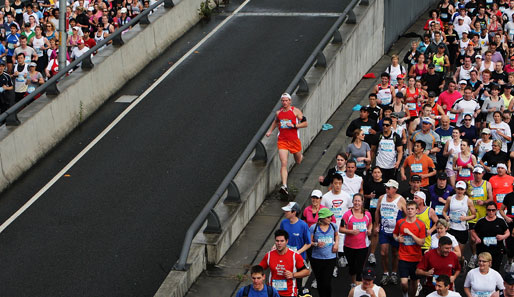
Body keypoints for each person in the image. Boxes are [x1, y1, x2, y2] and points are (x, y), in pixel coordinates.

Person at [265, 93, 308, 197]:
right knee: (284, 162)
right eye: (282, 101)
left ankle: (300, 156)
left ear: (290, 101)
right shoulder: (278, 113)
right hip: (282, 140)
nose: (284, 102)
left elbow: (305, 123)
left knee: (298, 160)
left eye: (286, 100)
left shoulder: (295, 111)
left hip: (294, 140)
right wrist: (270, 131)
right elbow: (275, 122)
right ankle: (284, 185)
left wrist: (294, 125)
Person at [259, 229, 310, 297]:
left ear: (287, 241)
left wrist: (293, 274)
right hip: (273, 293)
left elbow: (307, 272)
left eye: (282, 241)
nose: (279, 243)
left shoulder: (295, 256)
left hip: (289, 294)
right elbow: (258, 270)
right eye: (277, 241)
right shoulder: (269, 255)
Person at [375, 179, 407, 286]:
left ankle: (393, 273)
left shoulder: (401, 200)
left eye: (389, 188)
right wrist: (376, 225)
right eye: (386, 187)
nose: (387, 190)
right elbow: (377, 211)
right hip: (384, 230)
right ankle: (385, 273)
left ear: (395, 189)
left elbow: (407, 215)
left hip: (396, 232)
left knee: (395, 253)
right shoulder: (381, 198)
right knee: (383, 253)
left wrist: (404, 228)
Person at [321, 174, 352, 277]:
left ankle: (343, 258)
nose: (337, 185)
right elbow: (322, 212)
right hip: (330, 227)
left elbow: (350, 210)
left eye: (339, 183)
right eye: (335, 183)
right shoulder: (325, 197)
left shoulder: (346, 196)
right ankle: (333, 267)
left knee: (342, 247)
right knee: (331, 248)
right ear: (332, 184)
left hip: (343, 227)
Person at [393, 200, 426, 297]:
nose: (410, 211)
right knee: (404, 282)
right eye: (408, 209)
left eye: (412, 209)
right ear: (406, 210)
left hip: (416, 257)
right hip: (403, 256)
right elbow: (394, 234)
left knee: (414, 282)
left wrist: (411, 234)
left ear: (416, 210)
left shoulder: (420, 224)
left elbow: (421, 242)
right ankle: (405, 294)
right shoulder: (400, 222)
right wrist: (397, 238)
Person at [340, 194, 372, 287]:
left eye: (359, 201)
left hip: (363, 246)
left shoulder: (367, 214)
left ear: (362, 202)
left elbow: (370, 224)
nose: (357, 203)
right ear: (353, 202)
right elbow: (341, 229)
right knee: (352, 267)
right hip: (349, 246)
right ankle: (353, 283)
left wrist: (369, 230)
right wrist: (351, 231)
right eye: (355, 201)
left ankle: (359, 285)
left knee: (360, 267)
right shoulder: (347, 214)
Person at [467, 165, 494, 269]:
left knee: (482, 237)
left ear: (483, 174)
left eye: (479, 173)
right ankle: (474, 256)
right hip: (471, 214)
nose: (477, 175)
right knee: (473, 239)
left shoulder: (487, 184)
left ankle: (484, 258)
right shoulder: (468, 184)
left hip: (483, 215)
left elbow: (491, 198)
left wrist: (484, 202)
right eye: (475, 173)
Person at [442, 180, 477, 260]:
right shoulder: (450, 199)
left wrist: (465, 218)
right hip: (451, 228)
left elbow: (474, 215)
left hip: (462, 229)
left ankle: (461, 263)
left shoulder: (468, 200)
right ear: (455, 189)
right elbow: (444, 211)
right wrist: (446, 217)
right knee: (450, 252)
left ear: (465, 190)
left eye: (462, 189)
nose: (460, 191)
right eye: (458, 189)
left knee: (459, 254)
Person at [471, 201, 510, 272]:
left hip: (497, 250)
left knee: (495, 269)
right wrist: (477, 238)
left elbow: (507, 232)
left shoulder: (500, 221)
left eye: (493, 210)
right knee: (483, 269)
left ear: (496, 210)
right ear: (486, 210)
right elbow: (473, 231)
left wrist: (503, 236)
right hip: (483, 249)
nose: (491, 212)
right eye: (489, 210)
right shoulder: (481, 221)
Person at [309, 208, 338, 297]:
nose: (330, 218)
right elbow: (309, 242)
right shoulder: (313, 228)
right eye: (328, 217)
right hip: (317, 259)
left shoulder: (334, 226)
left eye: (331, 217)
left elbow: (336, 235)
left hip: (330, 258)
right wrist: (317, 244)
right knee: (320, 281)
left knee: (327, 282)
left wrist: (336, 244)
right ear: (322, 218)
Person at [363, 167, 386, 265]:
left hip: (380, 211)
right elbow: (363, 195)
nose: (376, 174)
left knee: (375, 232)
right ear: (372, 174)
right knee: (367, 231)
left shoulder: (385, 184)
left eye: (378, 172)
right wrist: (369, 196)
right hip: (369, 209)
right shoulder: (368, 183)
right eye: (375, 172)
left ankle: (372, 253)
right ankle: (364, 250)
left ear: (381, 174)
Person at [373, 117, 403, 182]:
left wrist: (398, 162)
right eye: (383, 125)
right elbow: (372, 150)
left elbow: (400, 151)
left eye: (387, 125)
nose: (385, 126)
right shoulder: (378, 135)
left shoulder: (396, 136)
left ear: (391, 125)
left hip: (392, 166)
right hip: (380, 165)